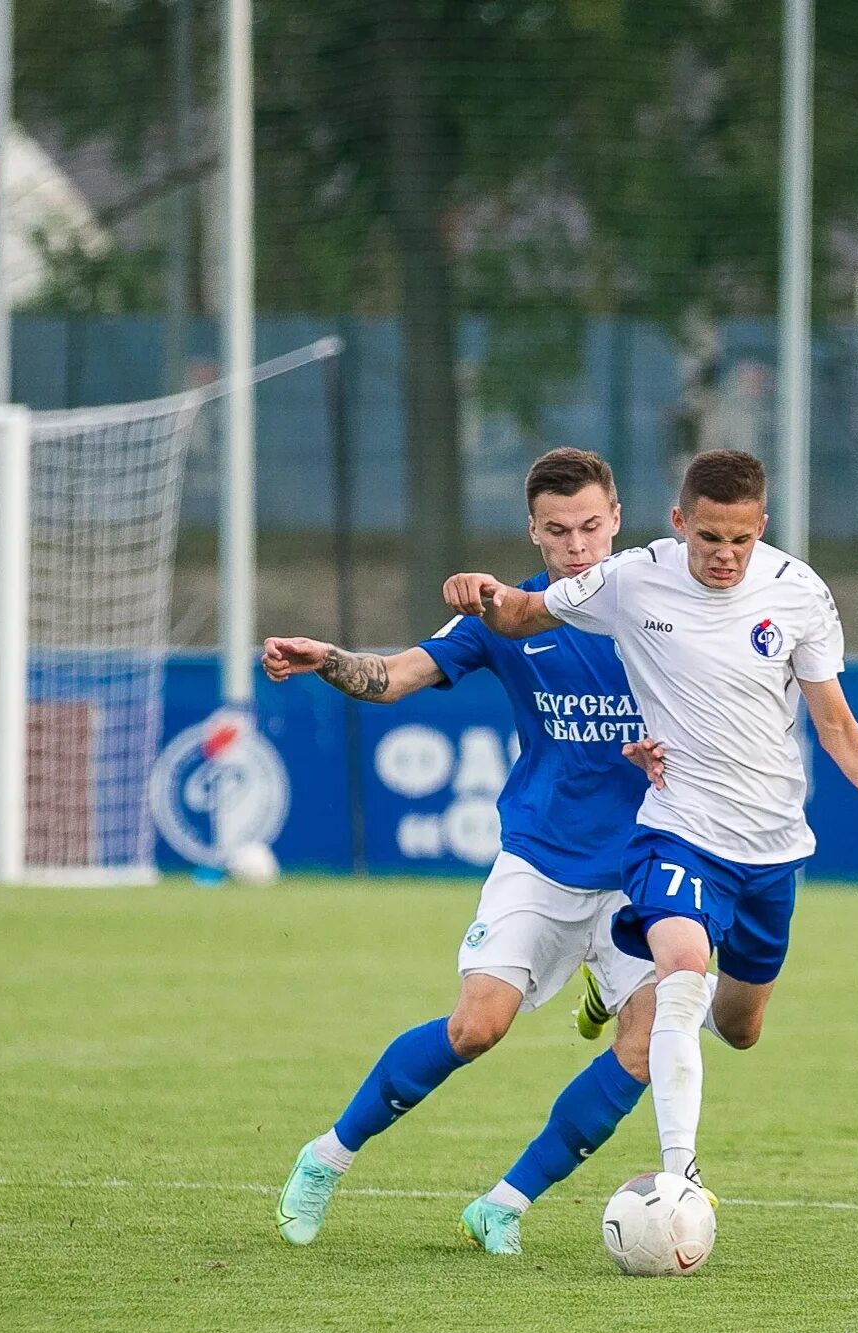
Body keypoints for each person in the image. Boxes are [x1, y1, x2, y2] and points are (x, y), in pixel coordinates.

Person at [442, 449, 858, 1192]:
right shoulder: (633, 576)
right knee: (679, 974)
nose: (725, 555)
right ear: (680, 523)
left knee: (738, 1027)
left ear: (761, 527)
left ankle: (617, 992)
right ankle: (680, 1179)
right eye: (709, 538)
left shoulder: (799, 592)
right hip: (678, 829)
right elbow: (519, 614)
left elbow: (836, 726)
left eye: (741, 539)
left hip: (770, 846)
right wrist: (482, 593)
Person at [262, 448, 664, 1256]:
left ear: (617, 520)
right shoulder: (502, 616)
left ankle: (504, 1204)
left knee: (650, 1045)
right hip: (543, 861)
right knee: (477, 1029)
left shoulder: (664, 608)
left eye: (591, 527)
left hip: (646, 867)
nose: (578, 546)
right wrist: (326, 662)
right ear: (533, 531)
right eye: (558, 532)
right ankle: (325, 1158)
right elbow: (394, 675)